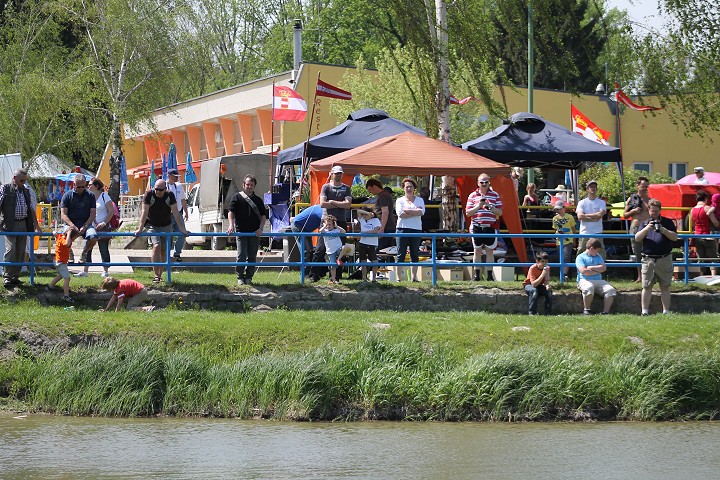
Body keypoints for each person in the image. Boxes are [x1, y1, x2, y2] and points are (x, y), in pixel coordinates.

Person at [135, 179, 188, 283]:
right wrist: (140, 228)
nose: (157, 191)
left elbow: (176, 213)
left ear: (165, 189)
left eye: (160, 190)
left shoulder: (170, 195)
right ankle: (156, 275)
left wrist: (183, 229)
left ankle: (160, 274)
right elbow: (144, 212)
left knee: (164, 250)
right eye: (156, 189)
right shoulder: (149, 194)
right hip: (152, 225)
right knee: (156, 245)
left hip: (166, 225)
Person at [635, 199, 678, 316]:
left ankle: (666, 311)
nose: (654, 213)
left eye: (656, 211)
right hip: (648, 259)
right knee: (646, 286)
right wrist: (647, 228)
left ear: (660, 211)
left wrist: (663, 230)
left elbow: (674, 237)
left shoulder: (667, 222)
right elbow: (637, 238)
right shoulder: (644, 222)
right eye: (652, 210)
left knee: (665, 286)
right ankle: (644, 311)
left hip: (664, 259)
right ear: (648, 210)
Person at [0, 168, 42, 288]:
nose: (23, 182)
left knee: (21, 251)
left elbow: (31, 208)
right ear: (14, 178)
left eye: (25, 180)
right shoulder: (5, 188)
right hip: (9, 224)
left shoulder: (26, 190)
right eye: (21, 180)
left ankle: (15, 276)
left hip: (23, 223)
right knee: (11, 249)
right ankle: (7, 277)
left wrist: (36, 225)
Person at [227, 174, 267, 286]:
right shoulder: (236, 197)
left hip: (254, 232)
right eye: (247, 184)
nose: (249, 186)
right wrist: (231, 225)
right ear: (243, 185)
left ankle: (249, 277)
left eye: (251, 185)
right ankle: (240, 276)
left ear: (254, 186)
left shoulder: (258, 200)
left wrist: (260, 228)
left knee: (252, 256)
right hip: (241, 231)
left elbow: (263, 216)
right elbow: (231, 211)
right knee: (241, 255)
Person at [465, 173, 503, 281]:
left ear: (489, 182)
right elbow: (468, 213)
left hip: (490, 226)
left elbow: (500, 212)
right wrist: (479, 206)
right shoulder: (472, 195)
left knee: (489, 251)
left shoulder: (495, 195)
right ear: (478, 183)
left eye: (486, 182)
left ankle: (489, 276)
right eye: (482, 182)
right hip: (477, 226)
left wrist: (490, 206)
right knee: (477, 250)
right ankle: (477, 276)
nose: (484, 184)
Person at [78, 178, 114, 278]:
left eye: (90, 184)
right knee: (87, 247)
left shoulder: (104, 196)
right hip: (91, 227)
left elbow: (111, 211)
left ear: (97, 186)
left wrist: (104, 222)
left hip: (102, 227)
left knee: (103, 249)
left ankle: (105, 270)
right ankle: (85, 270)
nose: (88, 186)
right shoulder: (88, 197)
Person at [60, 173, 98, 265]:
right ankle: (70, 253)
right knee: (64, 237)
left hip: (86, 223)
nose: (81, 189)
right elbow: (63, 215)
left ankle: (84, 253)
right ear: (74, 185)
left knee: (93, 237)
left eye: (83, 187)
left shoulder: (90, 196)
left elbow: (93, 214)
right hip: (70, 224)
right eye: (79, 187)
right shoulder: (67, 195)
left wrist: (85, 226)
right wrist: (72, 226)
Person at [575, 238, 616, 315]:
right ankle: (587, 310)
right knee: (589, 288)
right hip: (584, 280)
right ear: (591, 248)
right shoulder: (580, 257)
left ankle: (605, 312)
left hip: (599, 281)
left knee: (610, 290)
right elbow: (584, 271)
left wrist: (591, 268)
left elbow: (603, 268)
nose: (597, 252)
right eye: (597, 250)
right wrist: (597, 270)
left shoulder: (598, 256)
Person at [395, 178, 425, 282]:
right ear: (403, 188)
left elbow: (421, 212)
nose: (409, 188)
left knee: (415, 254)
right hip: (402, 229)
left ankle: (414, 277)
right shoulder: (399, 200)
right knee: (400, 254)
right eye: (406, 186)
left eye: (411, 186)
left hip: (416, 229)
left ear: (414, 188)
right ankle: (399, 278)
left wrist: (408, 211)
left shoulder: (419, 200)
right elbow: (400, 214)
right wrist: (414, 211)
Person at [624, 176, 651, 282]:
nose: (644, 188)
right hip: (636, 227)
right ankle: (639, 277)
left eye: (646, 186)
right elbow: (625, 214)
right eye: (642, 186)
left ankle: (648, 275)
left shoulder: (650, 200)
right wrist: (633, 211)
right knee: (637, 253)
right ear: (637, 186)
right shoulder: (632, 199)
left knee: (649, 253)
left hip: (647, 227)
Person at [47, 228, 81, 303]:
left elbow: (56, 235)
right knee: (67, 278)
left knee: (60, 275)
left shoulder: (60, 236)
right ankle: (66, 295)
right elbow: (67, 244)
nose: (74, 240)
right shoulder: (64, 240)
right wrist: (69, 234)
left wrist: (54, 233)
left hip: (59, 261)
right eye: (74, 238)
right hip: (60, 262)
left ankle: (50, 287)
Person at [576, 179, 607, 259]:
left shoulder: (601, 202)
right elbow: (580, 216)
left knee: (600, 253)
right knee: (581, 252)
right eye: (591, 187)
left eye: (594, 187)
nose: (593, 188)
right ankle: (580, 270)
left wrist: (586, 216)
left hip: (597, 232)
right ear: (587, 189)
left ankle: (599, 270)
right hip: (584, 232)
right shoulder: (581, 202)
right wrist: (595, 216)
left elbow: (600, 215)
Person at [690, 189, 719, 276]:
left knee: (700, 258)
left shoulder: (692, 210)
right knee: (713, 258)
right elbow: (715, 223)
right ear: (706, 198)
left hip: (697, 236)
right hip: (708, 236)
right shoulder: (707, 208)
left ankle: (700, 276)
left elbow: (692, 224)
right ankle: (714, 276)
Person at [365, 178, 396, 251]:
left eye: (370, 190)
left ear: (374, 186)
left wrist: (381, 229)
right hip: (388, 226)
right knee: (387, 252)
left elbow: (385, 212)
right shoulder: (385, 194)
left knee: (380, 252)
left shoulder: (382, 196)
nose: (370, 192)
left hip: (385, 228)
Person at [319, 215, 349, 284]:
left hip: (338, 248)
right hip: (330, 251)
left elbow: (344, 231)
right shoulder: (325, 231)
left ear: (333, 224)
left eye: (330, 224)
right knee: (333, 266)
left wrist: (337, 226)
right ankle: (333, 279)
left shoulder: (336, 230)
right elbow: (320, 231)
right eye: (327, 224)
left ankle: (338, 259)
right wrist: (325, 225)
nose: (328, 226)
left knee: (345, 247)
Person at [166, 168, 188, 262]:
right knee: (169, 235)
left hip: (178, 213)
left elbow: (182, 199)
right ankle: (167, 255)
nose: (176, 178)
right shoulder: (163, 186)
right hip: (167, 215)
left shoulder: (179, 186)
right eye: (175, 176)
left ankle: (177, 254)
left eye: (177, 176)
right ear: (169, 176)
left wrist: (186, 212)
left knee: (182, 233)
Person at [522, 251, 553, 315]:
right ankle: (532, 312)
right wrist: (542, 275)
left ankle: (548, 312)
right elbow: (533, 284)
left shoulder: (547, 268)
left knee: (549, 292)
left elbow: (546, 281)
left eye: (546, 261)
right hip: (529, 285)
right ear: (537, 261)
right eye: (542, 261)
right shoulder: (532, 268)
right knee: (534, 291)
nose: (544, 263)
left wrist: (547, 286)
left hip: (540, 285)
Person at [551, 200, 576, 280]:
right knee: (560, 258)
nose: (558, 211)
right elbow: (555, 229)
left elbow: (573, 229)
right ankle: (562, 274)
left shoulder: (570, 217)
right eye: (556, 209)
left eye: (559, 209)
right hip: (559, 240)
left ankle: (564, 274)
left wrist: (574, 240)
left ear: (564, 208)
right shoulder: (555, 218)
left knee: (566, 257)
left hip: (568, 240)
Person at [356, 208, 381, 282]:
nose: (364, 215)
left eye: (366, 214)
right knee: (363, 262)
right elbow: (358, 211)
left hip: (372, 244)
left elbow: (375, 231)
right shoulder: (362, 220)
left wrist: (365, 233)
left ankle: (373, 278)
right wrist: (366, 213)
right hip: (362, 243)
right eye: (363, 214)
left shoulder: (376, 220)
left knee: (375, 262)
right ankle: (364, 278)